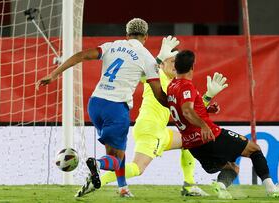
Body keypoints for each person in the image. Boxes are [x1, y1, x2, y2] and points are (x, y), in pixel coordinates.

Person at [36, 18, 179, 197]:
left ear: (127, 35)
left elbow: (81, 56)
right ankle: (97, 164)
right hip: (116, 108)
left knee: (117, 149)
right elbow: (159, 95)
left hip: (95, 104)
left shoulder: (111, 46)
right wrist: (177, 105)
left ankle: (123, 188)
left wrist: (54, 74)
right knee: (116, 159)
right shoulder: (147, 57)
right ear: (146, 37)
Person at [166, 50, 279, 199]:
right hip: (209, 136)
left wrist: (205, 108)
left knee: (232, 167)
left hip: (193, 146)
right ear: (192, 67)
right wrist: (204, 126)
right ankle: (272, 189)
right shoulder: (186, 86)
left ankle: (220, 186)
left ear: (176, 67)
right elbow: (187, 111)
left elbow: (182, 110)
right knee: (254, 150)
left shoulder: (172, 86)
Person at [98, 52, 228, 196]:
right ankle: (98, 180)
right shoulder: (158, 76)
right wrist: (159, 56)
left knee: (188, 141)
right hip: (151, 129)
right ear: (162, 65)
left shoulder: (175, 85)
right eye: (171, 61)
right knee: (137, 169)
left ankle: (189, 185)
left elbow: (187, 111)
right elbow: (144, 70)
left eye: (176, 62)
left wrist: (207, 99)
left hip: (159, 129)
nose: (175, 64)